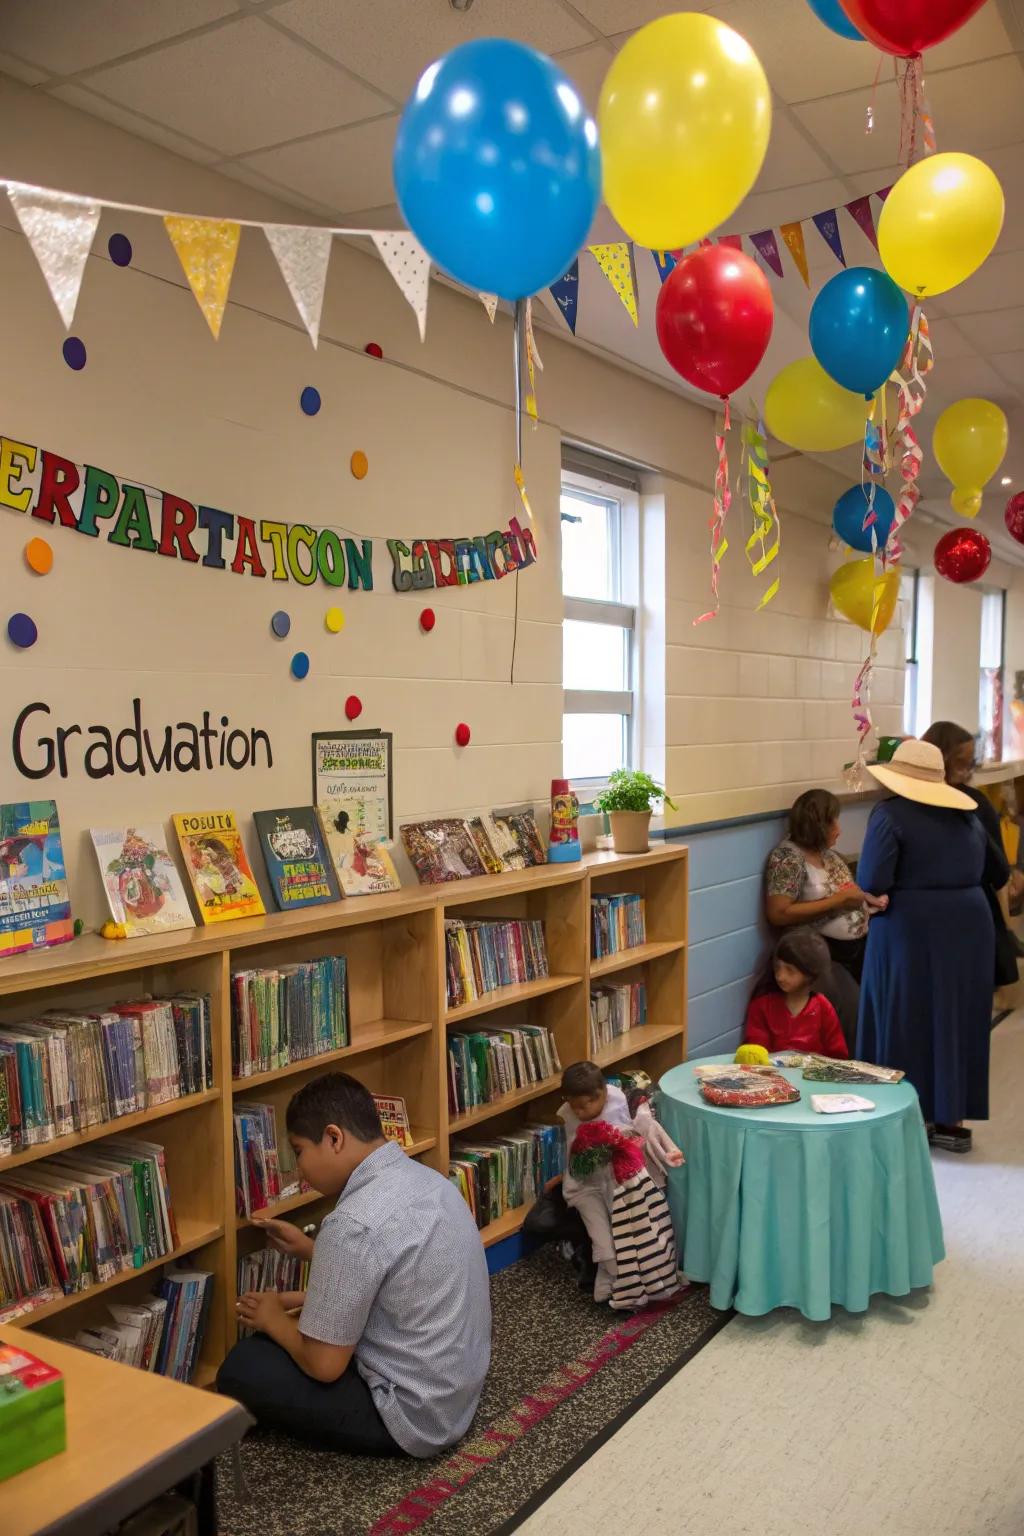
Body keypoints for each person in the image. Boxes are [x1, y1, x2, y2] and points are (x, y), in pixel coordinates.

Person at [217, 1072, 491, 1455]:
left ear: (333, 1138)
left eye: (298, 1151)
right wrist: (315, 1251)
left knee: (244, 1366)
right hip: (455, 1391)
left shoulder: (351, 1223)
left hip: (413, 1418)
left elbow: (324, 1365)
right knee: (302, 1329)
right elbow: (392, 1269)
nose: (299, 1170)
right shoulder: (427, 1180)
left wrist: (272, 1319)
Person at [857, 738, 1008, 1153]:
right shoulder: (967, 814)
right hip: (969, 923)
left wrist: (875, 897)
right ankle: (951, 1121)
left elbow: (873, 879)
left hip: (910, 924)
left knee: (903, 1014)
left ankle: (901, 1117)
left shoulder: (889, 815)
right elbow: (993, 869)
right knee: (956, 1017)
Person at [558, 1061, 683, 1310]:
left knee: (627, 1236)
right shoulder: (569, 1114)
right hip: (585, 1188)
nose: (580, 1113)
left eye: (585, 1106)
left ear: (603, 1093)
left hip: (620, 1183)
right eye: (575, 1107)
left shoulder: (619, 1101)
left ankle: (616, 1287)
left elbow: (638, 1134)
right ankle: (610, 1283)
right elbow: (574, 1155)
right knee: (603, 1241)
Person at [922, 720, 1024, 989]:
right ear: (940, 757)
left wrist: (1011, 873)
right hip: (940, 912)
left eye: (969, 760)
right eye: (959, 760)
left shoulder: (976, 802)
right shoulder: (916, 804)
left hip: (968, 904)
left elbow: (997, 863)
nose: (966, 767)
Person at [765, 788, 886, 984]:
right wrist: (838, 901)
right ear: (816, 825)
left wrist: (866, 899)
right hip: (826, 953)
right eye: (833, 822)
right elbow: (778, 913)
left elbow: (845, 890)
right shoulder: (788, 858)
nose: (839, 830)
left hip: (858, 948)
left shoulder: (828, 855)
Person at [744, 928, 849, 1058]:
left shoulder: (823, 1008)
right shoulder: (762, 1007)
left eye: (790, 970)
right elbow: (757, 1053)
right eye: (777, 967)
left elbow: (837, 1055)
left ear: (809, 974)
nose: (780, 976)